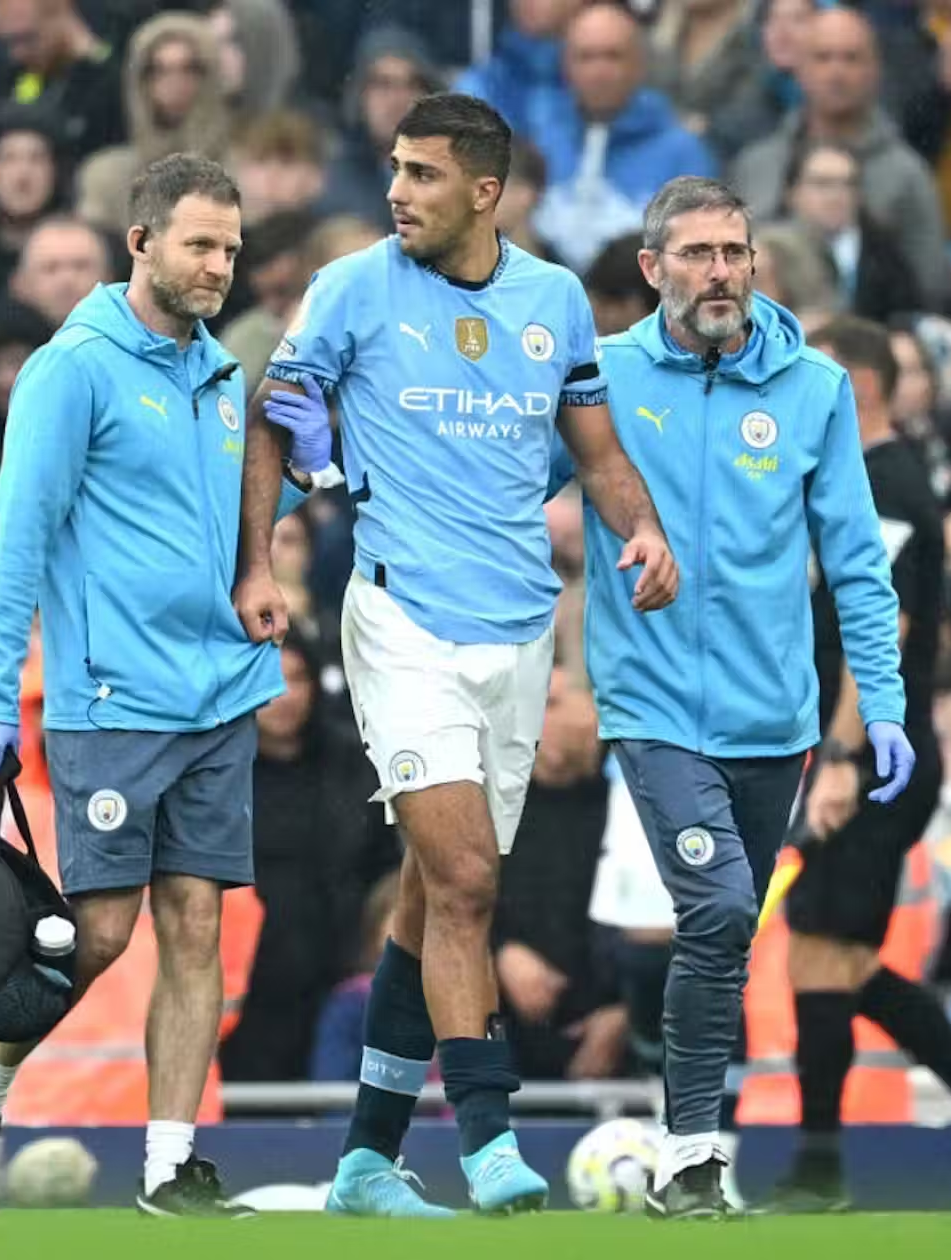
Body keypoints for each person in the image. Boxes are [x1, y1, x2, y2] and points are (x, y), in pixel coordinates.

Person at [238, 93, 677, 1217]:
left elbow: (594, 446)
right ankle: (489, 1139)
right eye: (394, 167)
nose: (397, 191)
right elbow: (275, 417)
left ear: (485, 191)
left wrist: (642, 527)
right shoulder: (351, 287)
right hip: (401, 621)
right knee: (473, 880)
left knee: (436, 898)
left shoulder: (552, 302)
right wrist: (256, 562)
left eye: (424, 174)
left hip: (521, 628)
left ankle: (363, 1164)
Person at [0, 153, 309, 1219]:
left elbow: (212, 523)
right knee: (100, 938)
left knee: (196, 927)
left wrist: (272, 538)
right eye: (201, 244)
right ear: (140, 241)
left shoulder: (220, 376)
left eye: (233, 250)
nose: (220, 267)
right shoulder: (73, 369)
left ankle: (168, 1165)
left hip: (218, 694)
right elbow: (19, 542)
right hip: (111, 699)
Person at [551, 179, 900, 1217]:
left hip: (776, 718)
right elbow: (498, 485)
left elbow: (856, 559)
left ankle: (693, 1159)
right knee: (716, 911)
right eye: (697, 253)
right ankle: (693, 1157)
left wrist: (879, 702)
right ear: (653, 270)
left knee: (726, 937)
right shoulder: (601, 379)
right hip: (653, 705)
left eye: (735, 252)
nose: (720, 272)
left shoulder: (815, 389)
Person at [781, 315, 951, 1214]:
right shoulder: (865, 480)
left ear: (853, 384)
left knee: (826, 956)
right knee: (826, 959)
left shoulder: (888, 487)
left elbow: (881, 633)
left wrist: (847, 755)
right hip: (863, 749)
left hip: (876, 753)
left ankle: (826, 1173)